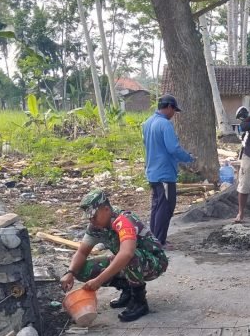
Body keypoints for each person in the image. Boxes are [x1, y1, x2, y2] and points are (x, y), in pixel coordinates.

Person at [60, 190, 168, 322]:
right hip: (129, 262)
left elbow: (127, 253)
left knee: (129, 256)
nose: (92, 221)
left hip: (154, 263)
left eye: (94, 216)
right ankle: (127, 290)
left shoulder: (124, 220)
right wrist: (70, 272)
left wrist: (99, 280)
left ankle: (139, 301)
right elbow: (82, 252)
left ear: (106, 209)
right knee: (81, 269)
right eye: (89, 218)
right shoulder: (95, 226)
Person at [142, 93, 195, 246]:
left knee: (157, 206)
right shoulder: (165, 124)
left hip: (153, 172)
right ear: (169, 107)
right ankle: (159, 241)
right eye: (174, 111)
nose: (173, 114)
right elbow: (173, 148)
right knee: (165, 208)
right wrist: (188, 158)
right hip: (164, 173)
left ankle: (154, 239)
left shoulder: (148, 123)